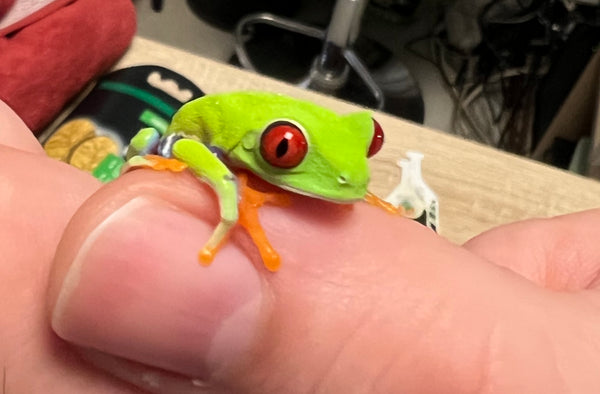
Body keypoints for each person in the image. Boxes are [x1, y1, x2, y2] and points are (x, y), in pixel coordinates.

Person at [1, 98, 599, 394]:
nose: (353, 174)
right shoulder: (227, 135)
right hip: (180, 136)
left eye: (369, 142)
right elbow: (180, 145)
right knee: (147, 147)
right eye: (285, 149)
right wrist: (226, 192)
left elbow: (344, 173)